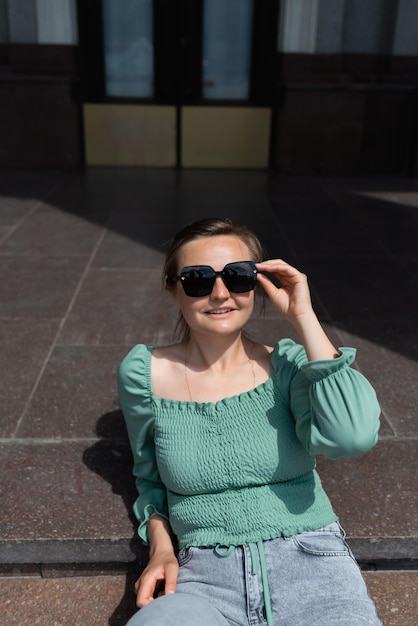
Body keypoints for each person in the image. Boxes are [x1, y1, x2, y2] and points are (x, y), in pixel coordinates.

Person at [118, 217, 382, 625]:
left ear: (257, 284)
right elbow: (149, 475)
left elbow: (351, 436)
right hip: (202, 578)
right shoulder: (144, 375)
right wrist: (160, 544)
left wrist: (303, 317)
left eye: (238, 276)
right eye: (197, 280)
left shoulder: (290, 365)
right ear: (173, 290)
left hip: (311, 562)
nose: (220, 293)